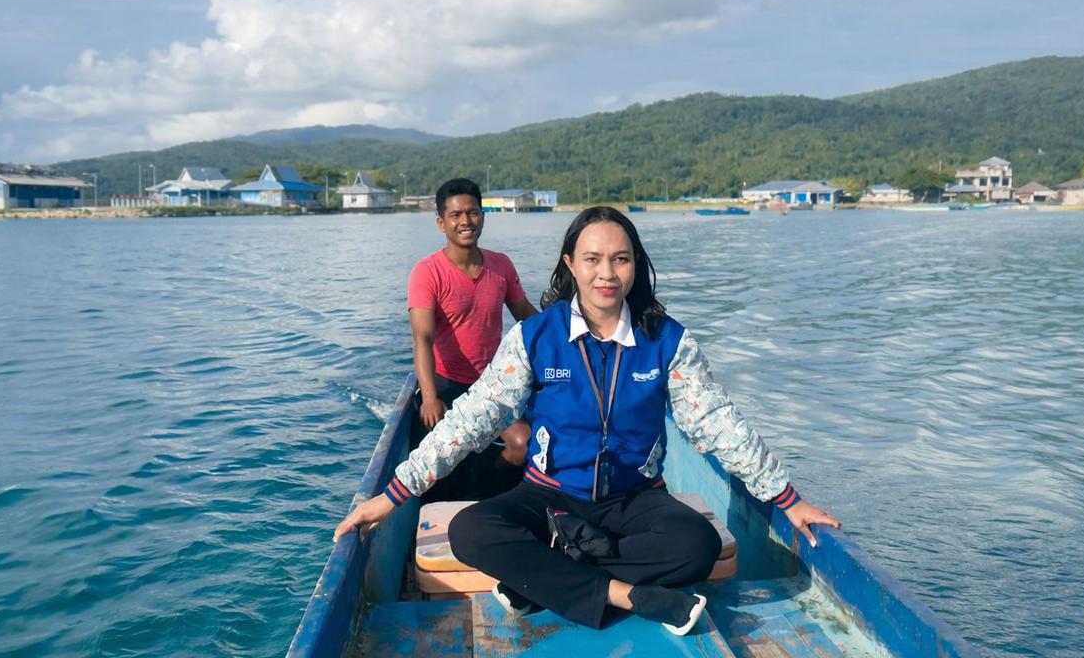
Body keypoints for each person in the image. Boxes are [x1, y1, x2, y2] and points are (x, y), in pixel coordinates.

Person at [337, 206, 840, 635]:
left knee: (698, 545)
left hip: (634, 498)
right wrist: (393, 496)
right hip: (548, 496)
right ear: (570, 265)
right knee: (470, 530)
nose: (607, 273)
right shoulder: (536, 338)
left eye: (620, 260)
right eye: (593, 259)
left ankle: (546, 578)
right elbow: (469, 419)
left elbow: (716, 422)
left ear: (635, 267)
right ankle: (629, 595)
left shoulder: (666, 341)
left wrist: (787, 499)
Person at [407, 178, 536, 500]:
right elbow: (422, 338)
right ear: (441, 223)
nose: (466, 221)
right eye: (456, 215)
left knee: (522, 445)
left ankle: (488, 492)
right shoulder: (427, 272)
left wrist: (572, 331)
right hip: (446, 385)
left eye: (473, 213)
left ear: (482, 216)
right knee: (440, 466)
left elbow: (526, 314)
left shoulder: (500, 265)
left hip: (492, 385)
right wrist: (430, 398)